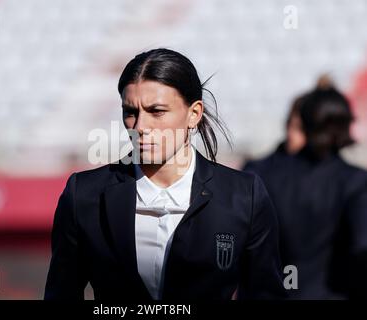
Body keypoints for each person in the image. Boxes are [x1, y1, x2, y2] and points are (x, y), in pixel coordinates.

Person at [44, 48, 284, 301]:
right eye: (130, 112)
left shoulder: (244, 196)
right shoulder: (84, 195)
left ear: (194, 114)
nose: (140, 127)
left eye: (156, 111)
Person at [244, 85, 367, 299]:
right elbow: (362, 248)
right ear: (347, 125)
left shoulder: (261, 174)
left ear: (304, 124)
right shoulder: (354, 181)